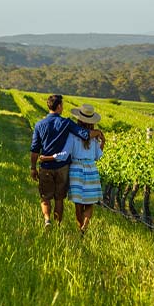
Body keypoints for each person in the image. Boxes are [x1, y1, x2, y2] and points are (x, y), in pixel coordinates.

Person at [30, 95, 104, 229]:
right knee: (59, 199)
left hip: (51, 167)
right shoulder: (67, 123)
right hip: (69, 168)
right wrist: (98, 133)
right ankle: (60, 225)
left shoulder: (39, 124)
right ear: (58, 106)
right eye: (62, 105)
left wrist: (33, 167)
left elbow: (35, 149)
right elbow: (85, 135)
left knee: (45, 198)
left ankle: (47, 220)